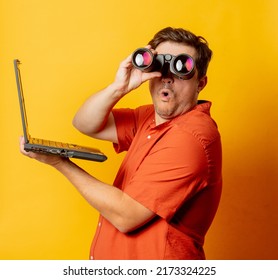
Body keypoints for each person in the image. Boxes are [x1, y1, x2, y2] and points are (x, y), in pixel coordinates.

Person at [19, 27, 222, 260]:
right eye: (160, 66)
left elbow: (127, 215)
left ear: (201, 83)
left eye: (181, 69)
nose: (167, 77)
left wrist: (60, 162)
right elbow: (85, 123)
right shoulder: (149, 118)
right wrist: (119, 87)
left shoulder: (191, 137)